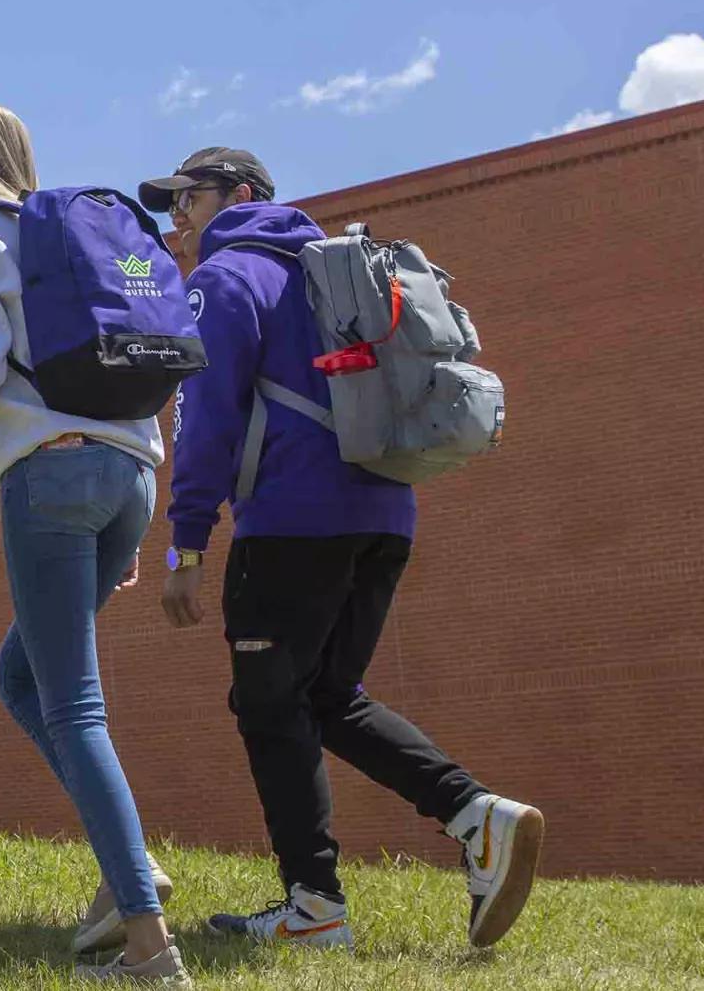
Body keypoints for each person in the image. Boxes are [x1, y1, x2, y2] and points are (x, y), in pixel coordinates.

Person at [144, 147, 545, 951]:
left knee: (267, 703)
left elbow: (208, 412)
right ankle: (478, 818)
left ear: (242, 195)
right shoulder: (333, 269)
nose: (175, 216)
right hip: (385, 514)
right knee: (325, 695)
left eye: (188, 197)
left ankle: (315, 907)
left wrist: (187, 542)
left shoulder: (228, 280)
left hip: (293, 522)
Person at [0, 103, 188, 984]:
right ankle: (123, 864)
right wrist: (133, 513)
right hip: (131, 473)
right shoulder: (72, 238)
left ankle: (148, 943)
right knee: (20, 676)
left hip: (50, 479)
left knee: (73, 707)